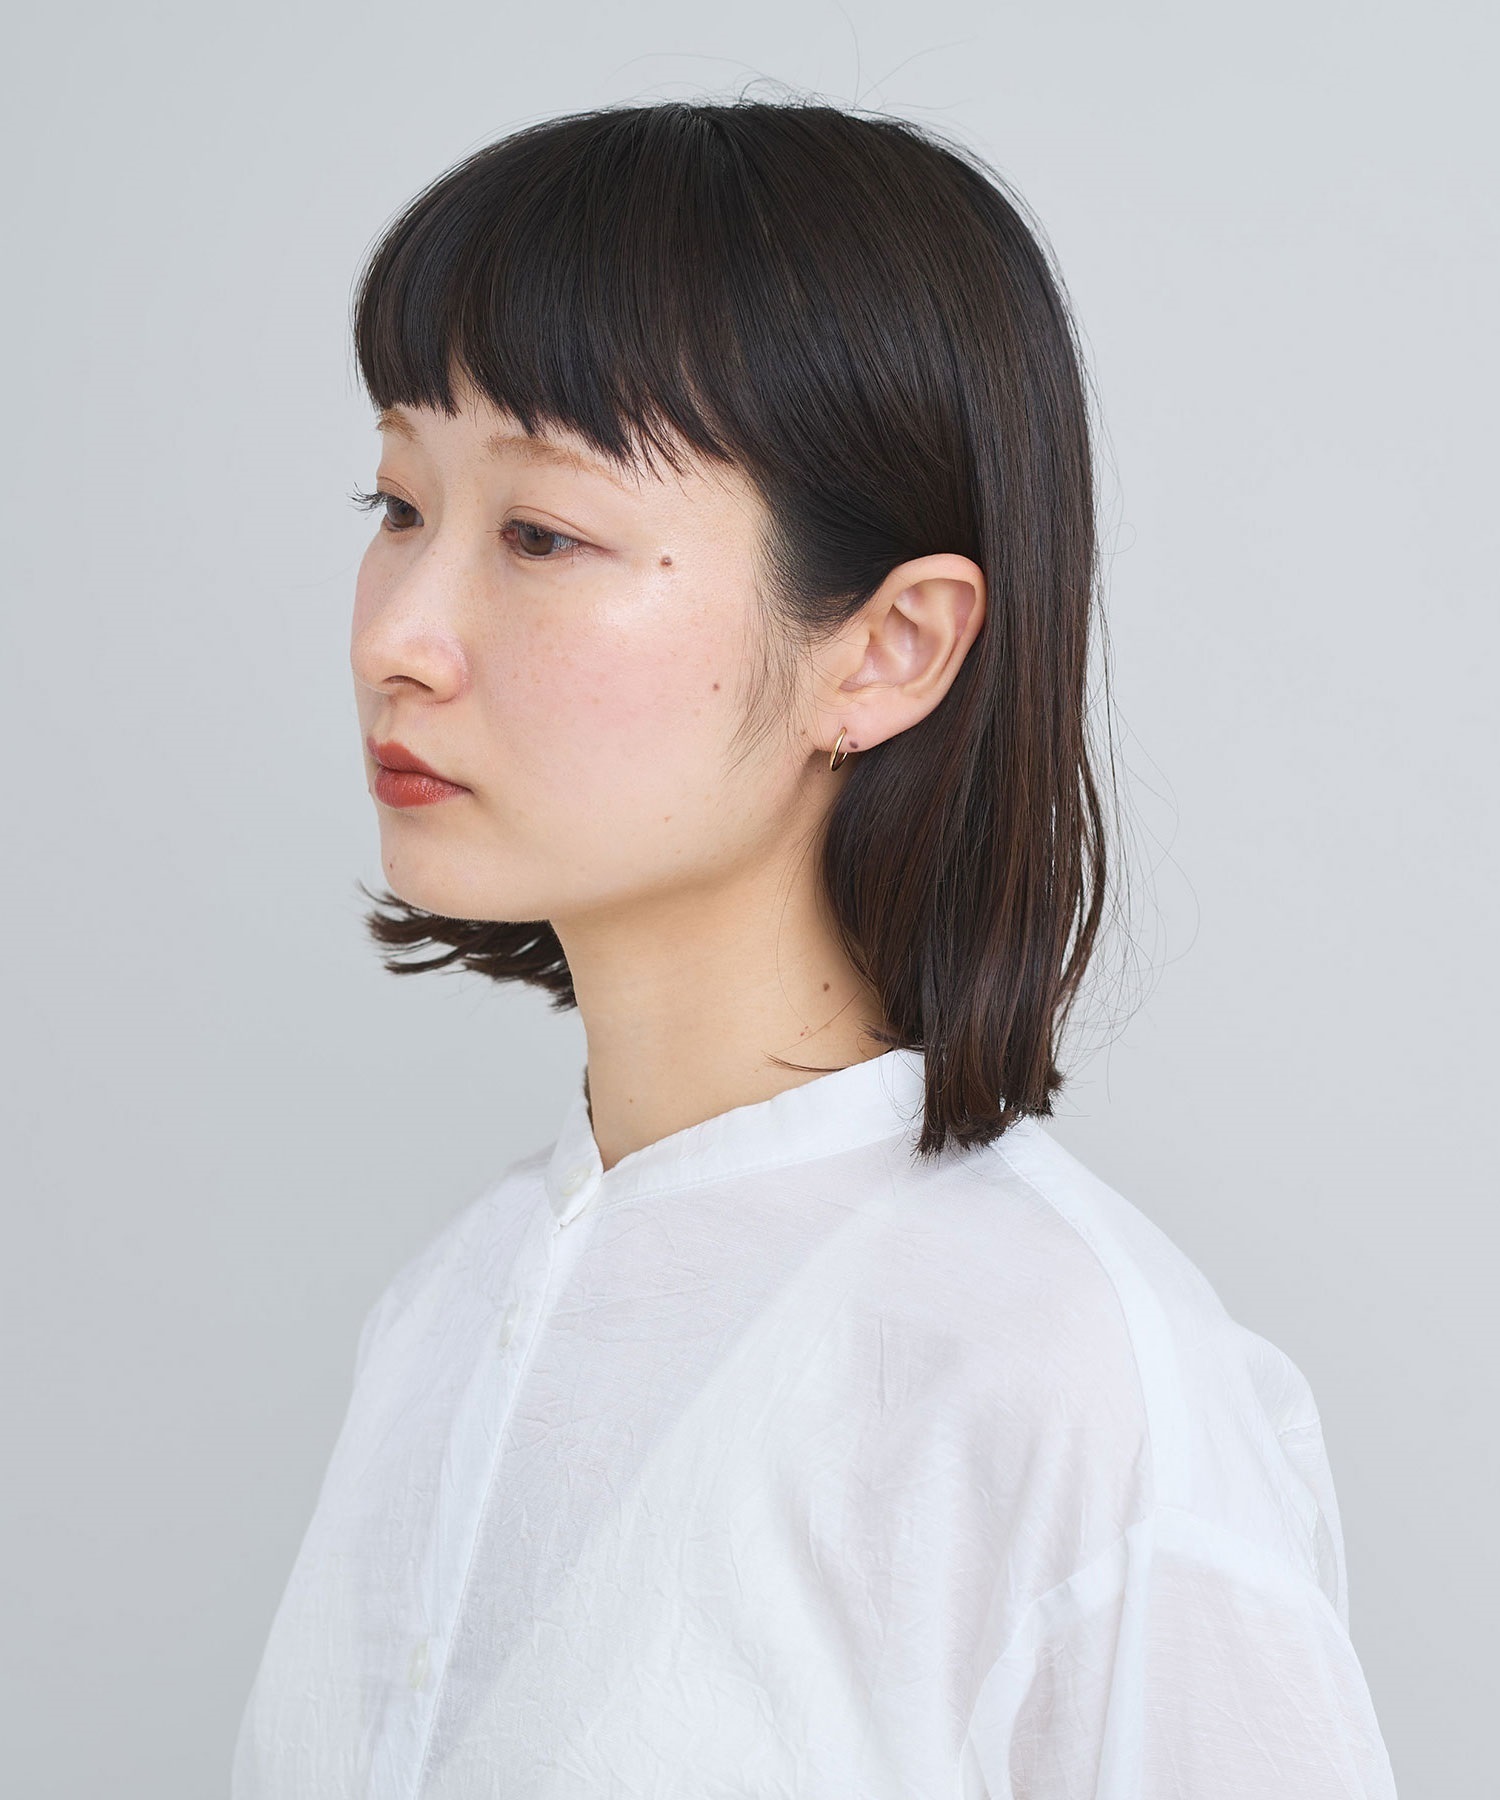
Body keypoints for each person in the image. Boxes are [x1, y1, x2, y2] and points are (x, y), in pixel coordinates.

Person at [231, 96, 1399, 1798]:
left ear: (888, 648)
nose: (397, 636)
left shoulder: (1061, 1378)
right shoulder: (442, 1316)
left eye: (542, 534)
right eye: (397, 502)